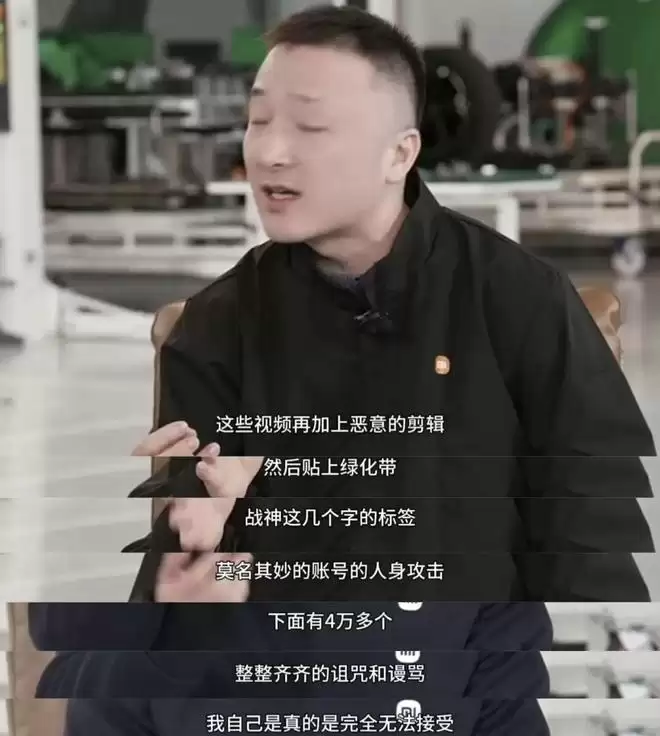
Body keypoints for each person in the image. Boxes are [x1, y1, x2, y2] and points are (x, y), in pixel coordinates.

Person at [32, 4, 655, 734]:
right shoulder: (216, 328)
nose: (270, 153)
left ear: (400, 154)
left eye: (311, 126)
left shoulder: (520, 303)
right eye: (258, 121)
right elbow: (188, 580)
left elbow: (582, 555)